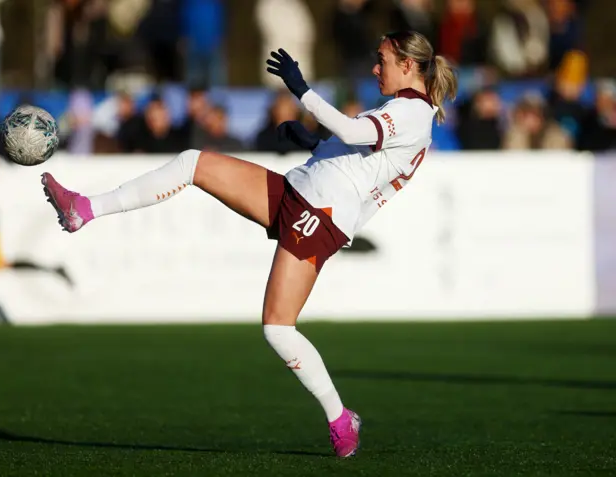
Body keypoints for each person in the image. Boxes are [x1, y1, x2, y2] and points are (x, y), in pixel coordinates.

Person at [40, 30, 457, 458]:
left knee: (277, 327)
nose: (375, 67)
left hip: (319, 216)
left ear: (408, 65)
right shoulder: (402, 109)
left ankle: (339, 417)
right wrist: (314, 142)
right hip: (300, 192)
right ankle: (83, 208)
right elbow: (366, 162)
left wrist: (302, 91)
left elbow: (352, 133)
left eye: (382, 59)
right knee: (193, 163)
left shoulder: (414, 112)